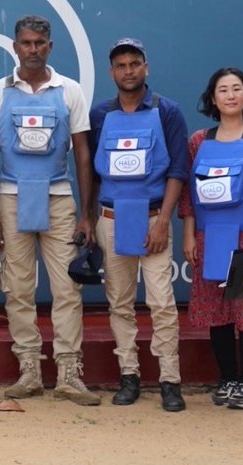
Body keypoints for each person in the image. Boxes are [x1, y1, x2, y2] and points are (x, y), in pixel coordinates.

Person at [0, 16, 100, 405]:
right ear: (15, 47)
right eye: (26, 42)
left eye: (40, 42)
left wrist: (87, 213)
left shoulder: (70, 91)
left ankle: (69, 373)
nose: (33, 48)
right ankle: (28, 371)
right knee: (17, 287)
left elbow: (83, 152)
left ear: (50, 46)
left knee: (67, 288)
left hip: (59, 197)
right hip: (12, 198)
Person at [88, 37, 189, 412]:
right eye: (120, 65)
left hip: (152, 220)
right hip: (112, 220)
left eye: (134, 64)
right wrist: (88, 218)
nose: (127, 71)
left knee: (162, 303)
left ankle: (169, 380)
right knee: (120, 304)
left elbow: (179, 169)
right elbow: (92, 175)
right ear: (111, 71)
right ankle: (128, 376)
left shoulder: (168, 111)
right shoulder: (100, 115)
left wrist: (164, 220)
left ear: (146, 67)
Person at [179, 68, 243, 410]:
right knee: (217, 314)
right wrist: (189, 236)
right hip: (209, 240)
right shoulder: (198, 141)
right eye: (223, 90)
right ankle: (227, 379)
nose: (231, 95)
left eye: (237, 88)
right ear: (213, 98)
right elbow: (188, 196)